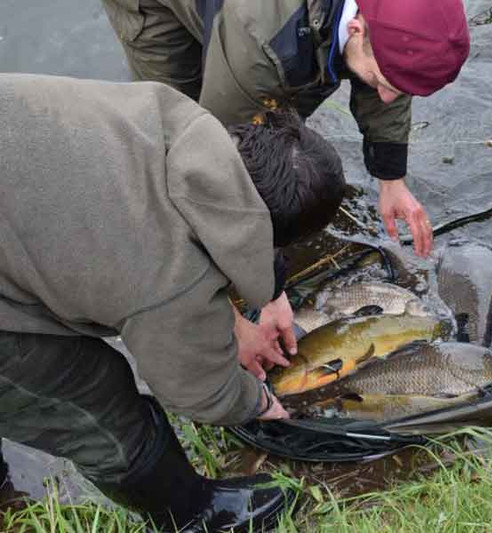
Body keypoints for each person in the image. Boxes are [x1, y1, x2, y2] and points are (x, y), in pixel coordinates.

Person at [0, 73, 346, 531]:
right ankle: (195, 515)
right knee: (93, 397)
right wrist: (257, 402)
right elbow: (196, 392)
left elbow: (163, 227)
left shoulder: (164, 113)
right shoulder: (170, 277)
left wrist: (234, 314)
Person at [100, 0, 471, 258]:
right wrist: (267, 286)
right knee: (177, 133)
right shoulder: (266, 47)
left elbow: (394, 69)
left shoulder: (394, 21)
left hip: (265, 29)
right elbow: (226, 161)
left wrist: (391, 178)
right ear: (357, 28)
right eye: (382, 81)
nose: (388, 97)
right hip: (162, 8)